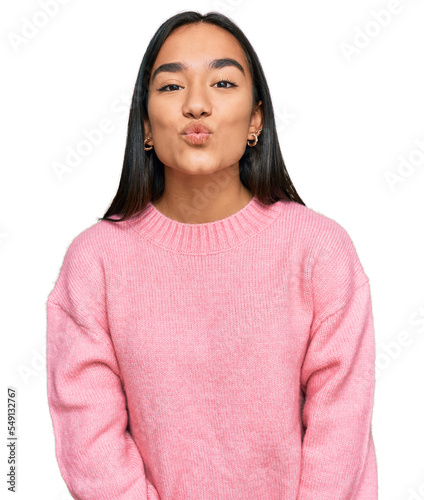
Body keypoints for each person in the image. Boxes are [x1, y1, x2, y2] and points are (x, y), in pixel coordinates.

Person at [46, 10, 378, 500]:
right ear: (145, 126)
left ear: (256, 120)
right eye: (172, 87)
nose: (197, 105)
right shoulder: (93, 263)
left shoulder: (319, 251)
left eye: (222, 84)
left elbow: (340, 431)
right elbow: (90, 445)